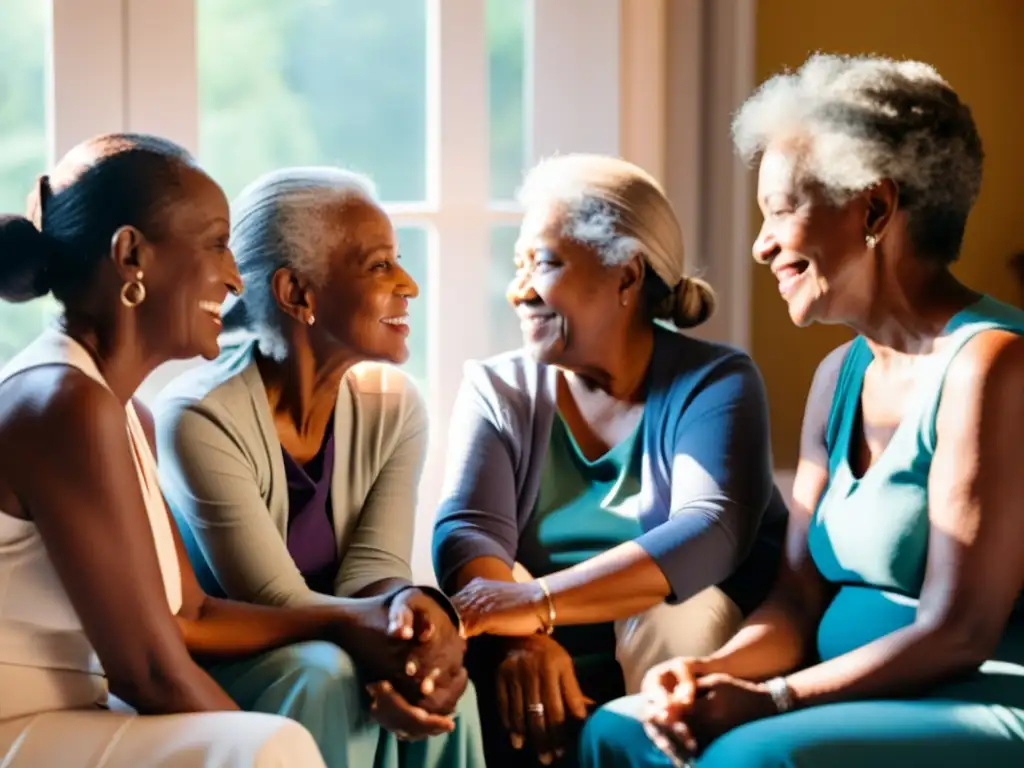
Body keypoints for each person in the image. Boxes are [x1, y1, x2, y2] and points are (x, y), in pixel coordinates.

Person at [580, 53, 1024, 767]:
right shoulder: (837, 376)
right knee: (621, 729)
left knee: (748, 758)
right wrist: (712, 672)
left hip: (982, 694)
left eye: (781, 210)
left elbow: (960, 630)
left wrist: (776, 700)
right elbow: (795, 600)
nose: (760, 245)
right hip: (853, 698)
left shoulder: (993, 366)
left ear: (874, 208)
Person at [0, 134, 468, 768]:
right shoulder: (65, 403)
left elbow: (190, 614)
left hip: (81, 715)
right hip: (23, 724)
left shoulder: (117, 408)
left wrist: (348, 621)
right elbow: (147, 672)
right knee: (274, 740)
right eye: (217, 244)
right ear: (131, 256)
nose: (232, 277)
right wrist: (277, 746)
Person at [431, 153, 788, 767]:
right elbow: (467, 532)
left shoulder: (716, 381)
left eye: (543, 263)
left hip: (687, 663)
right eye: (519, 265)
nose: (519, 291)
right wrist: (524, 636)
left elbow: (710, 531)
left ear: (627, 275)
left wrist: (535, 602)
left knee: (671, 615)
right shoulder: (499, 388)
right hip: (544, 669)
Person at [154, 166, 484, 768]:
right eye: (380, 264)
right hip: (240, 662)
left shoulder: (396, 404)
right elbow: (273, 597)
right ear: (296, 293)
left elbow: (374, 571)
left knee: (443, 675)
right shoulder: (198, 416)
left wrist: (415, 621)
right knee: (326, 672)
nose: (408, 284)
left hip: (342, 642)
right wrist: (392, 625)